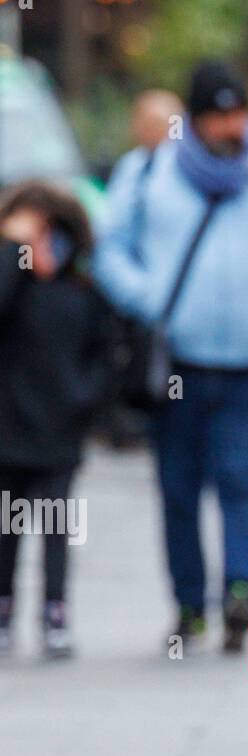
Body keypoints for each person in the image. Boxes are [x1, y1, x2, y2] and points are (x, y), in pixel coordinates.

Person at [94, 60, 248, 653]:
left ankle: (240, 592)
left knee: (240, 479)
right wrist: (148, 300)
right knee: (177, 487)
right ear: (192, 121)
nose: (230, 126)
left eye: (237, 112)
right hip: (176, 362)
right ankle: (190, 604)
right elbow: (109, 247)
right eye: (217, 115)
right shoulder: (148, 172)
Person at [0, 183, 112, 659]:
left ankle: (55, 612)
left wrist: (83, 399)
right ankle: (4, 609)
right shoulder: (12, 281)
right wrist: (11, 249)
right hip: (7, 427)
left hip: (59, 428)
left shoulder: (82, 288)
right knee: (6, 525)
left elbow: (106, 351)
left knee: (55, 522)